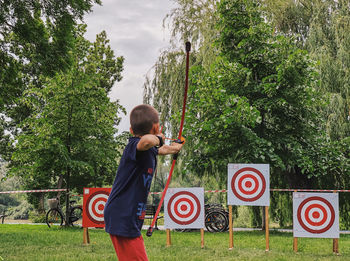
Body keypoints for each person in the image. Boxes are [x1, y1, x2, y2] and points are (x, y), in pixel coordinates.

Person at [104, 104, 184, 261]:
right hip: (122, 214)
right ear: (156, 127)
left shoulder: (149, 149)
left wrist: (176, 148)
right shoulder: (134, 145)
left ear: (131, 129)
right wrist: (159, 138)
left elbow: (161, 149)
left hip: (125, 214)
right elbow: (146, 142)